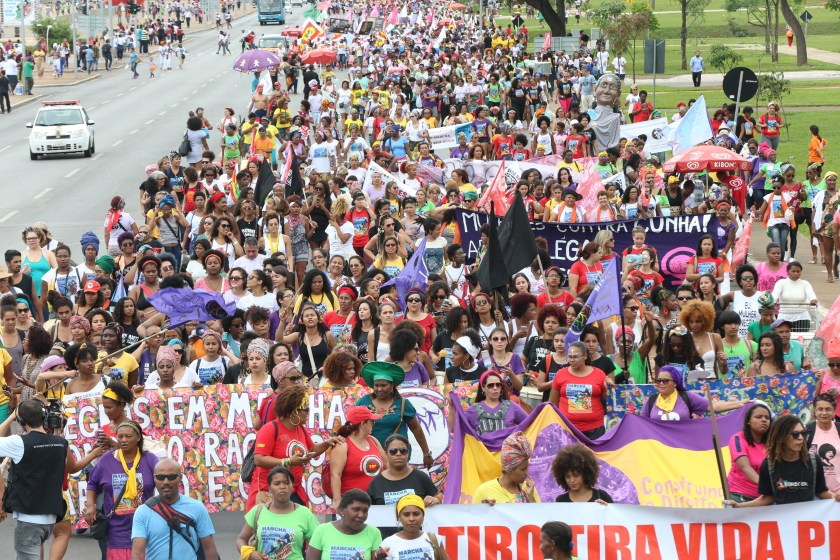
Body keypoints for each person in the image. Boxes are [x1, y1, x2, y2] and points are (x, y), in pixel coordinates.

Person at [249, 384, 342, 510]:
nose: (309, 413)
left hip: (293, 490)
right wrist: (288, 462)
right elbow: (259, 459)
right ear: (294, 410)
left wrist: (327, 443)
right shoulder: (270, 429)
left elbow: (312, 450)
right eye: (306, 410)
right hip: (270, 491)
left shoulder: (299, 429)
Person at [0, 399, 69, 560]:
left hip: (28, 518)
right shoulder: (60, 443)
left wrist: (11, 417)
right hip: (50, 518)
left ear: (21, 420)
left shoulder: (19, 443)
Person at [727, 415, 840, 506]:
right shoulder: (769, 464)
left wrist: (835, 496)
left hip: (808, 525)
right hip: (784, 528)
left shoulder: (814, 460)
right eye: (795, 434)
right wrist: (738, 506)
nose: (801, 438)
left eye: (804, 433)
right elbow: (767, 498)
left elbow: (821, 492)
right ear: (782, 437)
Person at [85, 420, 158, 559]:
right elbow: (92, 483)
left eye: (128, 436)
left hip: (146, 528)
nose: (123, 440)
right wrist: (90, 506)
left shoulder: (149, 459)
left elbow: (163, 477)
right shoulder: (107, 459)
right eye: (120, 436)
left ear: (138, 438)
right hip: (117, 531)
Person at [130, 458, 218, 560]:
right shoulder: (143, 512)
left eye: (171, 477)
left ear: (180, 478)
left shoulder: (197, 508)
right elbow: (137, 554)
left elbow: (209, 549)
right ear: (154, 479)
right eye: (160, 477)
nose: (166, 482)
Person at [356, 361, 434, 466]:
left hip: (397, 456)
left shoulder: (403, 403)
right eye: (376, 385)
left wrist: (426, 453)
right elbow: (353, 427)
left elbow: (416, 428)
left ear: (392, 385)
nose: (379, 389)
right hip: (370, 456)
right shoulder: (363, 402)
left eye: (384, 385)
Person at [236, 466, 319, 560]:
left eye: (286, 483)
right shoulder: (258, 511)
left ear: (292, 487)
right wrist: (250, 553)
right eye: (277, 483)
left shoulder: (305, 513)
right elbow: (241, 539)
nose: (282, 487)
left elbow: (318, 546)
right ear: (269, 488)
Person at [549, 341, 614, 439]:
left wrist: (610, 387)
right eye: (569, 357)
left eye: (575, 357)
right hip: (567, 428)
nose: (572, 360)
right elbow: (552, 403)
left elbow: (610, 402)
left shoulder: (599, 374)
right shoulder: (561, 374)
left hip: (595, 430)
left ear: (585, 356)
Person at [328, 406, 388, 504]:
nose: (374, 424)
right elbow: (335, 475)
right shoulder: (343, 445)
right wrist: (337, 501)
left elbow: (387, 466)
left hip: (376, 499)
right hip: (352, 502)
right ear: (363, 424)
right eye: (371, 421)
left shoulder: (373, 441)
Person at [306, 489, 382, 560]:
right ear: (342, 510)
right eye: (356, 509)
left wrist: (380, 557)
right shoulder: (322, 530)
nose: (361, 515)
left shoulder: (374, 533)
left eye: (365, 511)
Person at [367, 434, 438, 507]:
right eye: (393, 451)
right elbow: (371, 512)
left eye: (403, 451)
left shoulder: (421, 477)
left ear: (408, 453)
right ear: (386, 454)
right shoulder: (376, 483)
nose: (398, 454)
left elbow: (438, 505)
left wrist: (434, 500)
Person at [474, 431, 539, 504]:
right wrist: (486, 510)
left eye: (527, 467)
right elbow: (474, 515)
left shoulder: (529, 489)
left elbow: (539, 515)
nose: (527, 472)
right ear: (509, 469)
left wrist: (530, 497)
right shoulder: (484, 491)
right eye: (523, 469)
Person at [378, 494, 449, 560]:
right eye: (406, 515)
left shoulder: (434, 539)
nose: (411, 519)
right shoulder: (388, 543)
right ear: (399, 517)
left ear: (423, 515)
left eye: (416, 514)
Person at [727, 404, 773, 502]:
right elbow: (745, 467)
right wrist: (766, 486)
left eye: (767, 418)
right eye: (758, 417)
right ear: (748, 421)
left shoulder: (772, 442)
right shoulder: (738, 439)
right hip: (739, 494)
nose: (764, 420)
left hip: (765, 497)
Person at [806, 393, 840, 494]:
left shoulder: (839, 429)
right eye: (820, 409)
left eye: (828, 409)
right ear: (815, 411)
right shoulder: (808, 430)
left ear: (834, 411)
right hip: (815, 492)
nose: (824, 413)